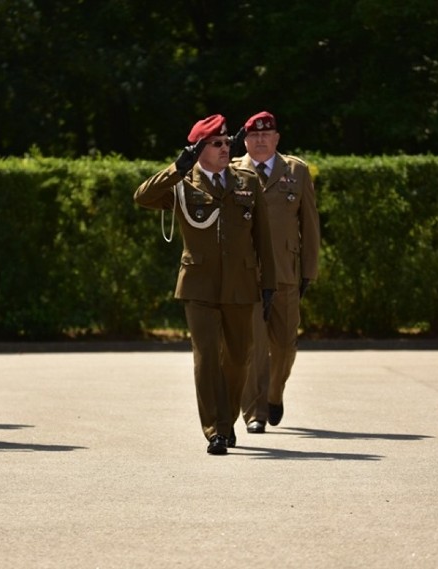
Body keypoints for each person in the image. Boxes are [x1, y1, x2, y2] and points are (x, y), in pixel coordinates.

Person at [134, 114, 277, 455]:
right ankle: (216, 430)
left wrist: (268, 283)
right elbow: (143, 197)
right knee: (207, 357)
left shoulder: (246, 181)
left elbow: (264, 238)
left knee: (239, 358)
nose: (226, 148)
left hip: (241, 285)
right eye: (217, 144)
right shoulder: (183, 183)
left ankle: (226, 420)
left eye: (227, 142)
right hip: (199, 285)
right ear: (199, 150)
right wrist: (177, 167)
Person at [232, 111, 321, 432]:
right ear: (245, 140)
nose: (259, 140)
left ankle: (274, 392)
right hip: (247, 274)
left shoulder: (296, 171)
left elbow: (309, 224)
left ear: (276, 139)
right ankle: (254, 413)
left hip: (285, 271)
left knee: (284, 346)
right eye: (253, 136)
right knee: (253, 347)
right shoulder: (232, 172)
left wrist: (308, 270)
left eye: (266, 135)